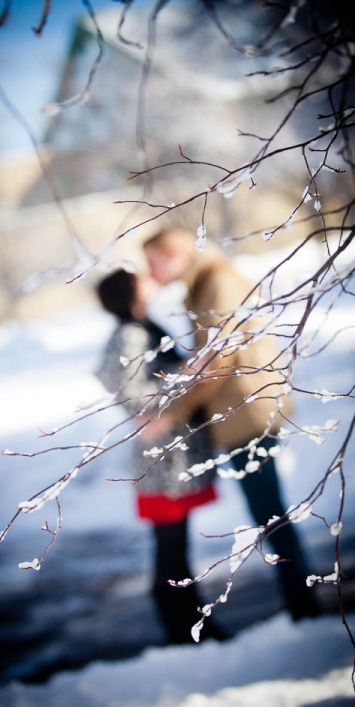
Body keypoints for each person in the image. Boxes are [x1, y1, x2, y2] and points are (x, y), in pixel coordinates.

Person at [140, 226, 321, 621]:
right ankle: (301, 603)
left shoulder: (218, 282)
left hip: (247, 415)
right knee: (267, 512)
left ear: (174, 253)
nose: (150, 271)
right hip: (238, 415)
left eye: (153, 262)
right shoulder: (203, 285)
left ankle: (304, 608)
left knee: (269, 514)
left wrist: (171, 413)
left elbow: (218, 361)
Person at [96, 267, 229, 643]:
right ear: (129, 292)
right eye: (138, 279)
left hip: (170, 455)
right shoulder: (131, 333)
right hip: (162, 459)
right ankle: (184, 625)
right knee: (171, 547)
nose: (146, 280)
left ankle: (186, 620)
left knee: (174, 545)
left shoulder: (140, 326)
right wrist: (185, 374)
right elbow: (129, 392)